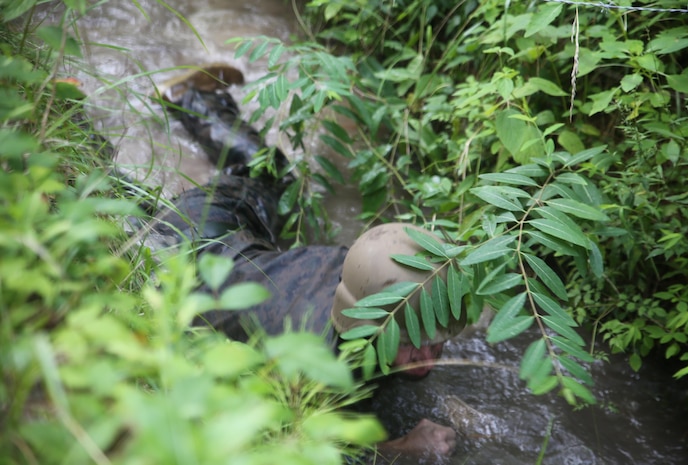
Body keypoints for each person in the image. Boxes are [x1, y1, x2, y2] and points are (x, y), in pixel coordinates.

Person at [147, 66, 465, 459]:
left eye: (437, 340)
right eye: (414, 343)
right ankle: (188, 97)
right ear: (366, 324)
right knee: (271, 175)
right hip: (189, 243)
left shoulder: (368, 270)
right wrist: (404, 449)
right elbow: (304, 446)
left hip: (240, 248)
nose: (430, 356)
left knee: (276, 185)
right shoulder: (318, 362)